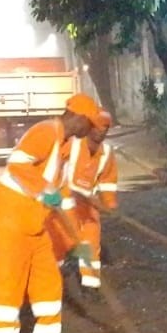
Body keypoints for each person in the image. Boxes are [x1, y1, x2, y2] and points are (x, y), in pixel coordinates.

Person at [0, 93, 104, 333]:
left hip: (35, 225)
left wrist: (76, 243)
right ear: (77, 117)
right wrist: (41, 193)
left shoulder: (63, 147)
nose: (86, 133)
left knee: (49, 288)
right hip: (10, 221)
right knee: (8, 293)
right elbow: (17, 165)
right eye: (87, 126)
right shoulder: (45, 132)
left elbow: (61, 200)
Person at [56, 109, 118, 291]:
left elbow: (107, 181)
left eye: (106, 128)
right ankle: (56, 275)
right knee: (63, 242)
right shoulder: (72, 146)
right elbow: (53, 168)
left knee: (91, 242)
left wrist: (109, 204)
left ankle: (91, 286)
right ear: (90, 128)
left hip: (88, 207)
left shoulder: (106, 153)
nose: (103, 131)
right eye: (99, 127)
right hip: (64, 204)